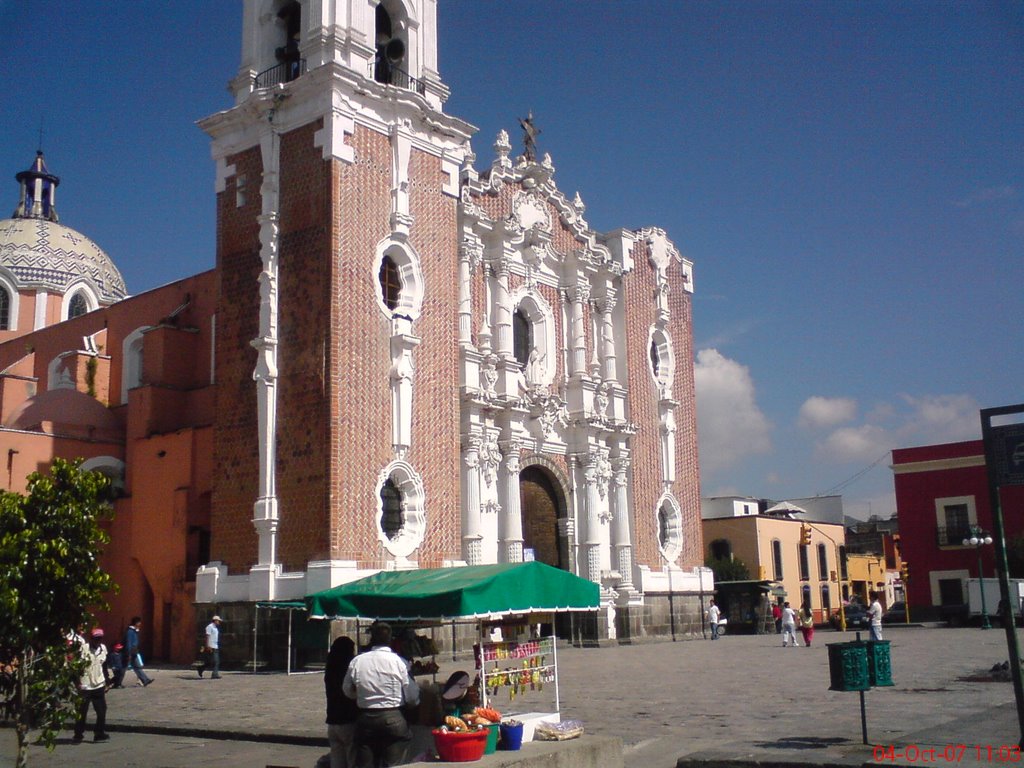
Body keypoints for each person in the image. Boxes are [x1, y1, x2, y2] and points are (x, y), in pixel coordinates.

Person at [343, 621, 420, 768]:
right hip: (393, 717)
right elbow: (411, 695)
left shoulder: (357, 661)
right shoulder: (399, 662)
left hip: (365, 718)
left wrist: (361, 696)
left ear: (372, 638)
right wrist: (412, 703)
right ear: (390, 639)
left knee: (365, 763)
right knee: (393, 763)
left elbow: (347, 690)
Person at [325, 636, 358, 768]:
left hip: (332, 720)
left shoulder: (330, 667)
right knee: (352, 759)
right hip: (348, 720)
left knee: (337, 760)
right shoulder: (348, 669)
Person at [73, 629, 111, 743]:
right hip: (85, 685)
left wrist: (107, 682)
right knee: (82, 711)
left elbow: (103, 666)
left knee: (101, 710)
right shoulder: (83, 649)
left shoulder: (103, 649)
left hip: (98, 684)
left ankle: (99, 733)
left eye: (100, 638)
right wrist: (77, 682)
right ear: (91, 638)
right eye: (96, 638)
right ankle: (78, 733)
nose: (98, 641)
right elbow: (75, 666)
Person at [123, 616, 153, 687]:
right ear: (136, 623)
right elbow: (129, 643)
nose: (140, 624)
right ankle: (117, 681)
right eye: (139, 622)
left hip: (134, 652)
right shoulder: (130, 631)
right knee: (123, 668)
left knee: (137, 667)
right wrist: (128, 653)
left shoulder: (135, 631)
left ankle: (145, 680)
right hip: (130, 652)